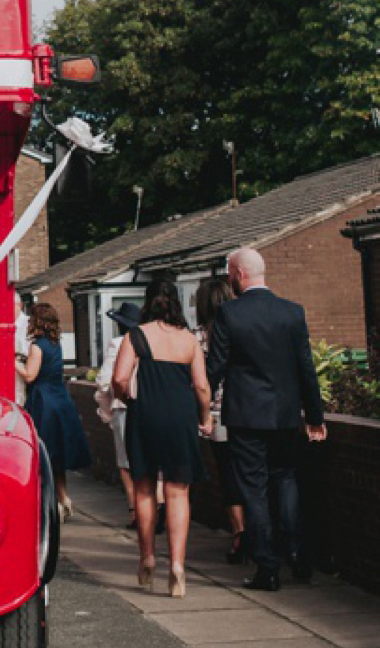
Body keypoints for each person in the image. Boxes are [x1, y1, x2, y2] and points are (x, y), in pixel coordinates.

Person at [206, 246, 326, 591]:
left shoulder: (230, 314)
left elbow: (215, 367)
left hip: (246, 417)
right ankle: (299, 557)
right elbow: (306, 369)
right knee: (287, 480)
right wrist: (314, 415)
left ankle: (267, 569)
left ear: (240, 274)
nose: (229, 279)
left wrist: (199, 407)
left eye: (230, 272)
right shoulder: (292, 312)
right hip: (286, 416)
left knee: (254, 491)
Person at [114, 273, 211, 597]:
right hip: (180, 419)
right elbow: (201, 386)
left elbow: (119, 379)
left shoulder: (135, 336)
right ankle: (179, 567)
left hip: (145, 416)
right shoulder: (189, 340)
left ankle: (147, 557)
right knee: (177, 492)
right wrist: (205, 416)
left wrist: (129, 399)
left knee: (143, 489)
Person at [18, 302, 91, 519]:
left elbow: (30, 375)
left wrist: (14, 362)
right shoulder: (55, 344)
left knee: (43, 455)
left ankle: (51, 504)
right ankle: (64, 497)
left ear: (36, 321)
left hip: (43, 402)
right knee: (56, 456)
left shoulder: (37, 346)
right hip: (60, 400)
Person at [195, 274, 247, 564]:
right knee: (250, 472)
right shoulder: (242, 330)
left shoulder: (197, 336)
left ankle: (239, 533)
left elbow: (198, 382)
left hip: (215, 416)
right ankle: (257, 529)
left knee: (228, 476)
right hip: (247, 410)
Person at [95, 301, 139, 526]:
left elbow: (105, 382)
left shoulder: (118, 344)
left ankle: (135, 512)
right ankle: (157, 506)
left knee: (125, 463)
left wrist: (105, 413)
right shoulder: (149, 341)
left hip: (123, 408)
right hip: (150, 408)